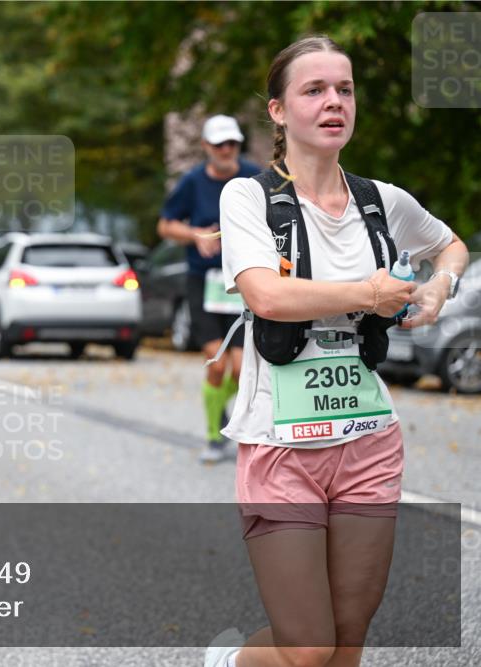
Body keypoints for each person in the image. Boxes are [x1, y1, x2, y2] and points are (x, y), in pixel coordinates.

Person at [204, 36, 468, 667]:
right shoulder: (250, 199)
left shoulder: (383, 201)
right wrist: (370, 291)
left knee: (348, 639)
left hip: (368, 441)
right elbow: (266, 295)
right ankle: (229, 662)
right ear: (277, 110)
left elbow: (450, 245)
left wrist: (437, 289)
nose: (333, 102)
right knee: (308, 649)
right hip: (282, 447)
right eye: (314, 90)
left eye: (344, 89)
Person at [158, 115, 262, 463]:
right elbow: (165, 225)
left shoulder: (252, 176)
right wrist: (195, 235)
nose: (226, 150)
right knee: (216, 365)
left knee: (241, 367)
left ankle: (220, 409)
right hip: (203, 283)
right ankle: (213, 436)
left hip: (242, 282)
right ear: (206, 147)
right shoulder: (192, 182)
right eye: (219, 144)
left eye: (231, 143)